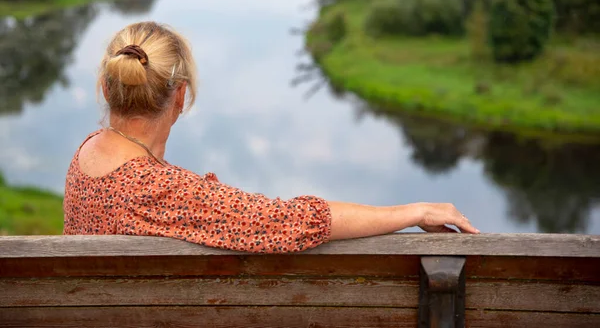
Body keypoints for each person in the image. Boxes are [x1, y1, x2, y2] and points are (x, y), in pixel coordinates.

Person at [63, 22, 479, 253]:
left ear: (105, 87)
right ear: (181, 96)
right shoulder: (160, 190)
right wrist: (415, 211)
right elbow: (291, 222)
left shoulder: (85, 156)